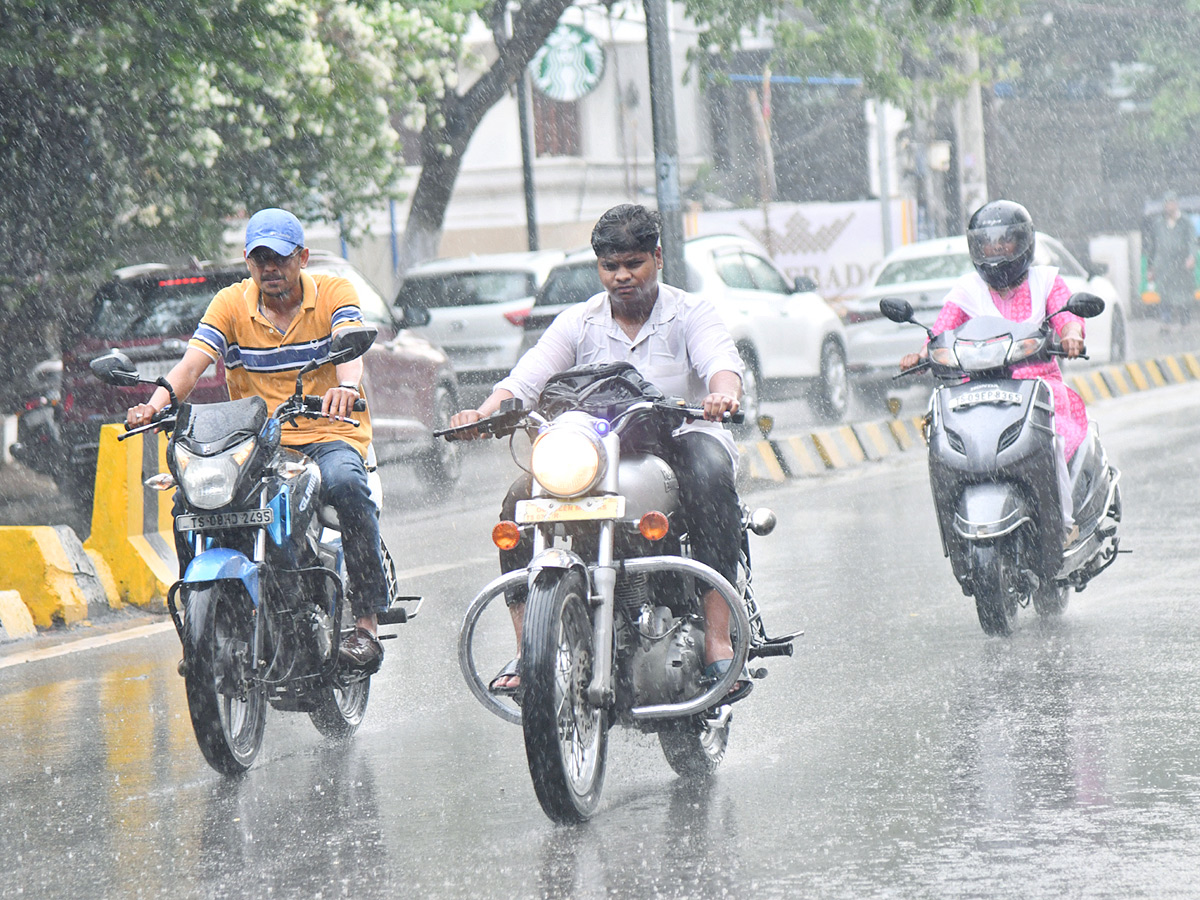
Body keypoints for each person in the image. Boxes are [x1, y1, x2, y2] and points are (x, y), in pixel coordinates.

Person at [450, 203, 749, 699]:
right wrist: (483, 413)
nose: (622, 277)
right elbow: (524, 380)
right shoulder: (578, 322)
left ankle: (719, 640)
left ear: (658, 257)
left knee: (710, 477)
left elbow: (721, 364)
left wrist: (721, 395)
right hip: (600, 452)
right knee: (519, 503)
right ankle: (530, 650)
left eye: (634, 264)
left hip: (680, 437)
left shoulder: (691, 313)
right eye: (611, 267)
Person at [125, 208, 388, 669]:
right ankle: (202, 624)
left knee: (347, 485)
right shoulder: (229, 303)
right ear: (248, 261)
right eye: (260, 258)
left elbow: (350, 346)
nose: (270, 269)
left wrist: (347, 387)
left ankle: (366, 624)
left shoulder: (333, 292)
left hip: (327, 434)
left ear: (302, 257)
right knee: (190, 506)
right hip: (256, 445)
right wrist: (155, 404)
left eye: (280, 258)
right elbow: (191, 365)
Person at [900, 199, 1087, 539]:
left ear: (1024, 243)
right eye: (988, 244)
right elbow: (943, 328)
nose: (997, 251)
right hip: (976, 389)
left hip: (1038, 387)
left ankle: (1063, 523)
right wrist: (922, 354)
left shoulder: (1046, 281)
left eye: (1005, 242)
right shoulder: (967, 290)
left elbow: (1065, 315)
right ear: (976, 247)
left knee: (1053, 440)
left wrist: (1072, 334)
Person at [1148, 191, 1195, 331]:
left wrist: (1191, 256)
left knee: (1184, 295)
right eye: (1167, 204)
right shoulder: (1159, 224)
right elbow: (1153, 246)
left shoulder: (1185, 222)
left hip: (1181, 265)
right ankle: (1166, 322)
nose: (1169, 206)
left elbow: (1192, 241)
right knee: (1165, 294)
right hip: (1164, 265)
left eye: (1172, 203)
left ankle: (1185, 322)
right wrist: (1151, 267)